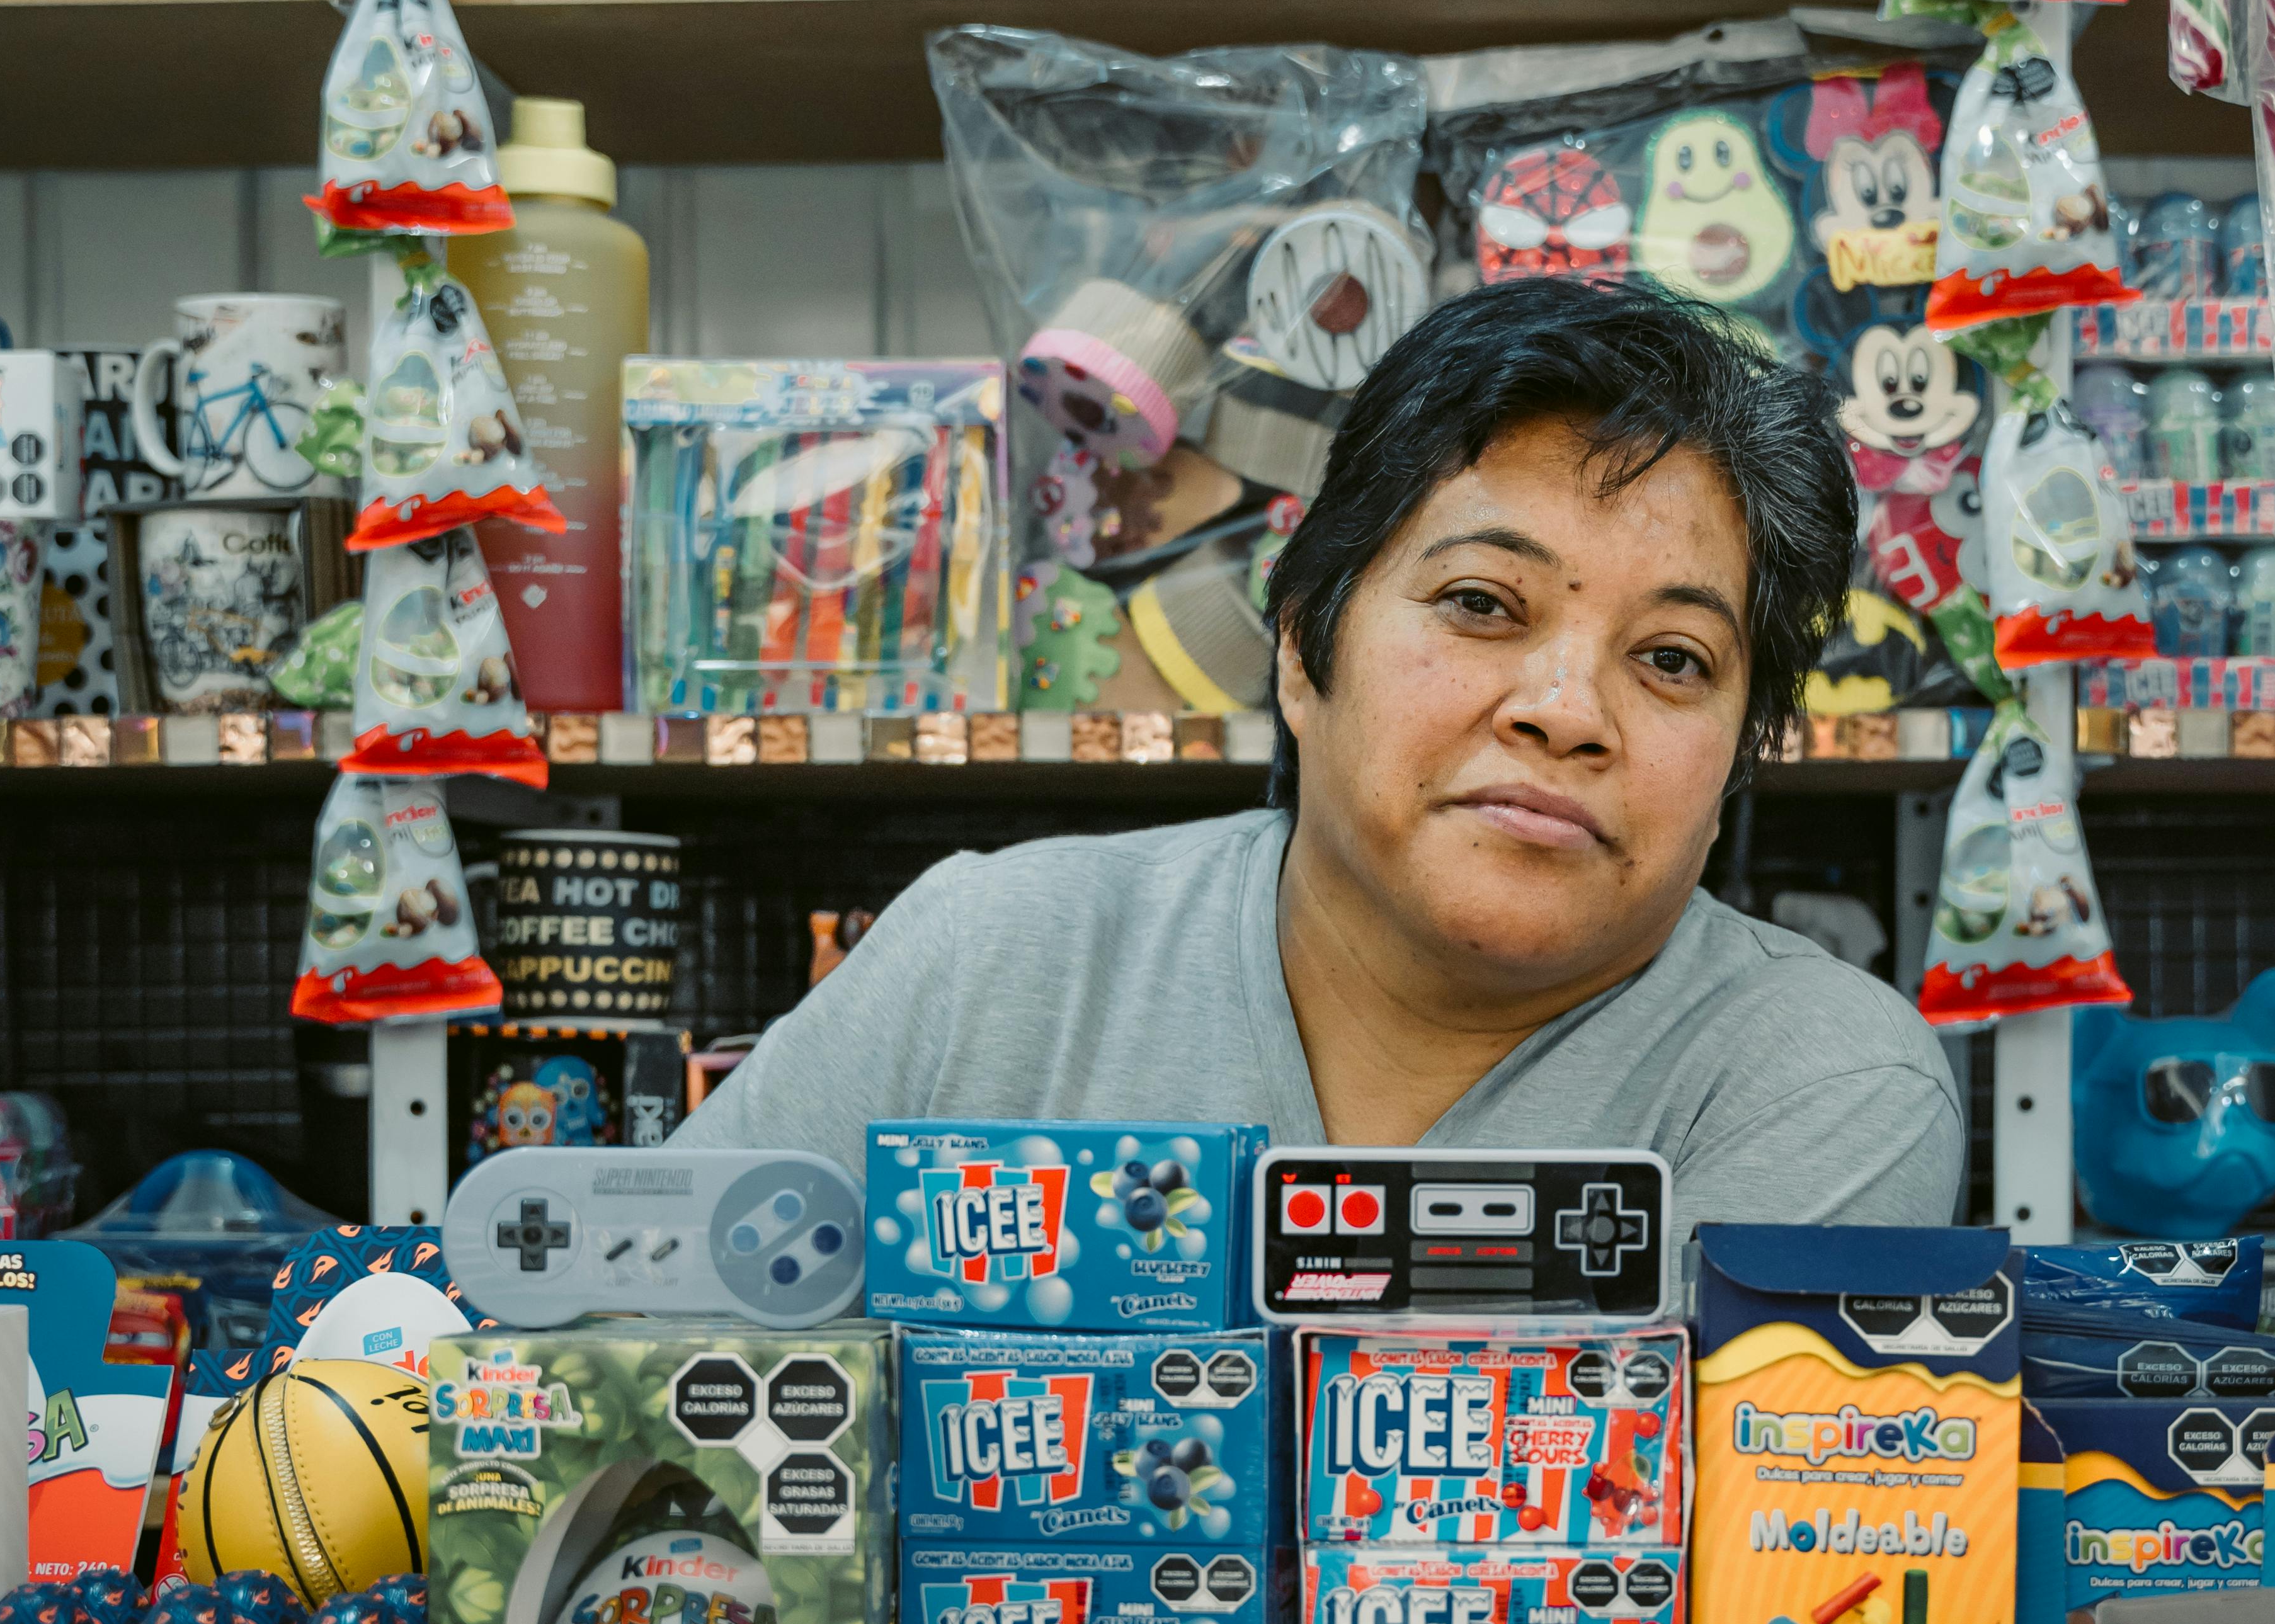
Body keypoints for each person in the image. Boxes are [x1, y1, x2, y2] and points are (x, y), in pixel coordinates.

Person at [679, 277, 1965, 1227]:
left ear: (1742, 753)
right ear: (1303, 647)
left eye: (1673, 659)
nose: (1567, 710)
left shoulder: (1819, 1079)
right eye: (1479, 604)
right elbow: (616, 1396)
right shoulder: (992, 962)